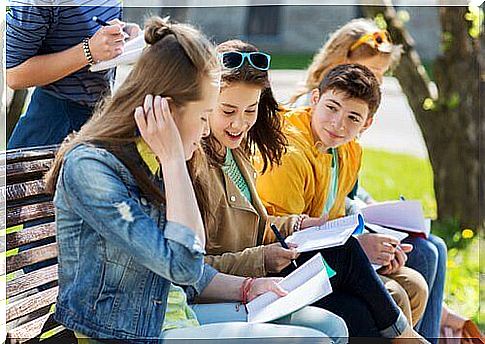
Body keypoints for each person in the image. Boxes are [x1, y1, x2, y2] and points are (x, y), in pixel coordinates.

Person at [44, 17, 344, 343]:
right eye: (204, 115)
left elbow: (192, 262)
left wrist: (246, 286)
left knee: (329, 327)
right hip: (128, 332)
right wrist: (174, 160)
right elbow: (184, 263)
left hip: (172, 316)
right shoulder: (93, 169)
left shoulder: (154, 156)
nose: (205, 130)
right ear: (168, 109)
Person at [199, 39, 427, 342]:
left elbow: (256, 224)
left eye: (250, 110)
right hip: (241, 284)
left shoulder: (236, 151)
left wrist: (300, 224)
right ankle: (409, 338)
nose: (239, 123)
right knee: (355, 281)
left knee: (378, 290)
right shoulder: (196, 164)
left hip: (266, 269)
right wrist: (265, 257)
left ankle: (408, 336)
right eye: (228, 111)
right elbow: (196, 266)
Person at [291, 18, 447, 342]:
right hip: (315, 248)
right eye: (368, 72)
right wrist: (362, 224)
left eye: (379, 75)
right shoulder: (314, 125)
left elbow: (344, 194)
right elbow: (291, 226)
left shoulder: (347, 140)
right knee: (421, 256)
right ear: (340, 64)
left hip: (340, 230)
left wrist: (371, 213)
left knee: (434, 248)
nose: (373, 81)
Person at [6, 1, 141, 149]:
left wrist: (122, 33)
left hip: (99, 116)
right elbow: (14, 75)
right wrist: (88, 51)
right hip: (54, 123)